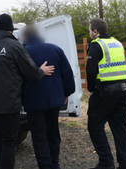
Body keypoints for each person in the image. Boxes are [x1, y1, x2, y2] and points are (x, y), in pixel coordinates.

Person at [0, 14, 55, 169]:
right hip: (8, 106)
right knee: (8, 143)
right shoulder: (15, 47)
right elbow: (32, 74)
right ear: (11, 31)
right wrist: (41, 71)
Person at [21, 25, 75, 169]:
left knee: (39, 135)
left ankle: (45, 165)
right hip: (53, 100)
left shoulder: (23, 52)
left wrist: (20, 99)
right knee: (53, 132)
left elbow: (18, 78)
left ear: (24, 37)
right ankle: (55, 163)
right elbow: (67, 74)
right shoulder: (55, 49)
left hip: (33, 101)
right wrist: (66, 93)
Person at [86, 18, 126, 169]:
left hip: (105, 92)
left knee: (95, 125)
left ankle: (106, 163)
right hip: (123, 91)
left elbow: (91, 70)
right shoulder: (117, 43)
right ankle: (125, 165)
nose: (90, 33)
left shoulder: (96, 44)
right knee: (120, 129)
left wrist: (91, 89)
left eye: (90, 30)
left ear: (95, 31)